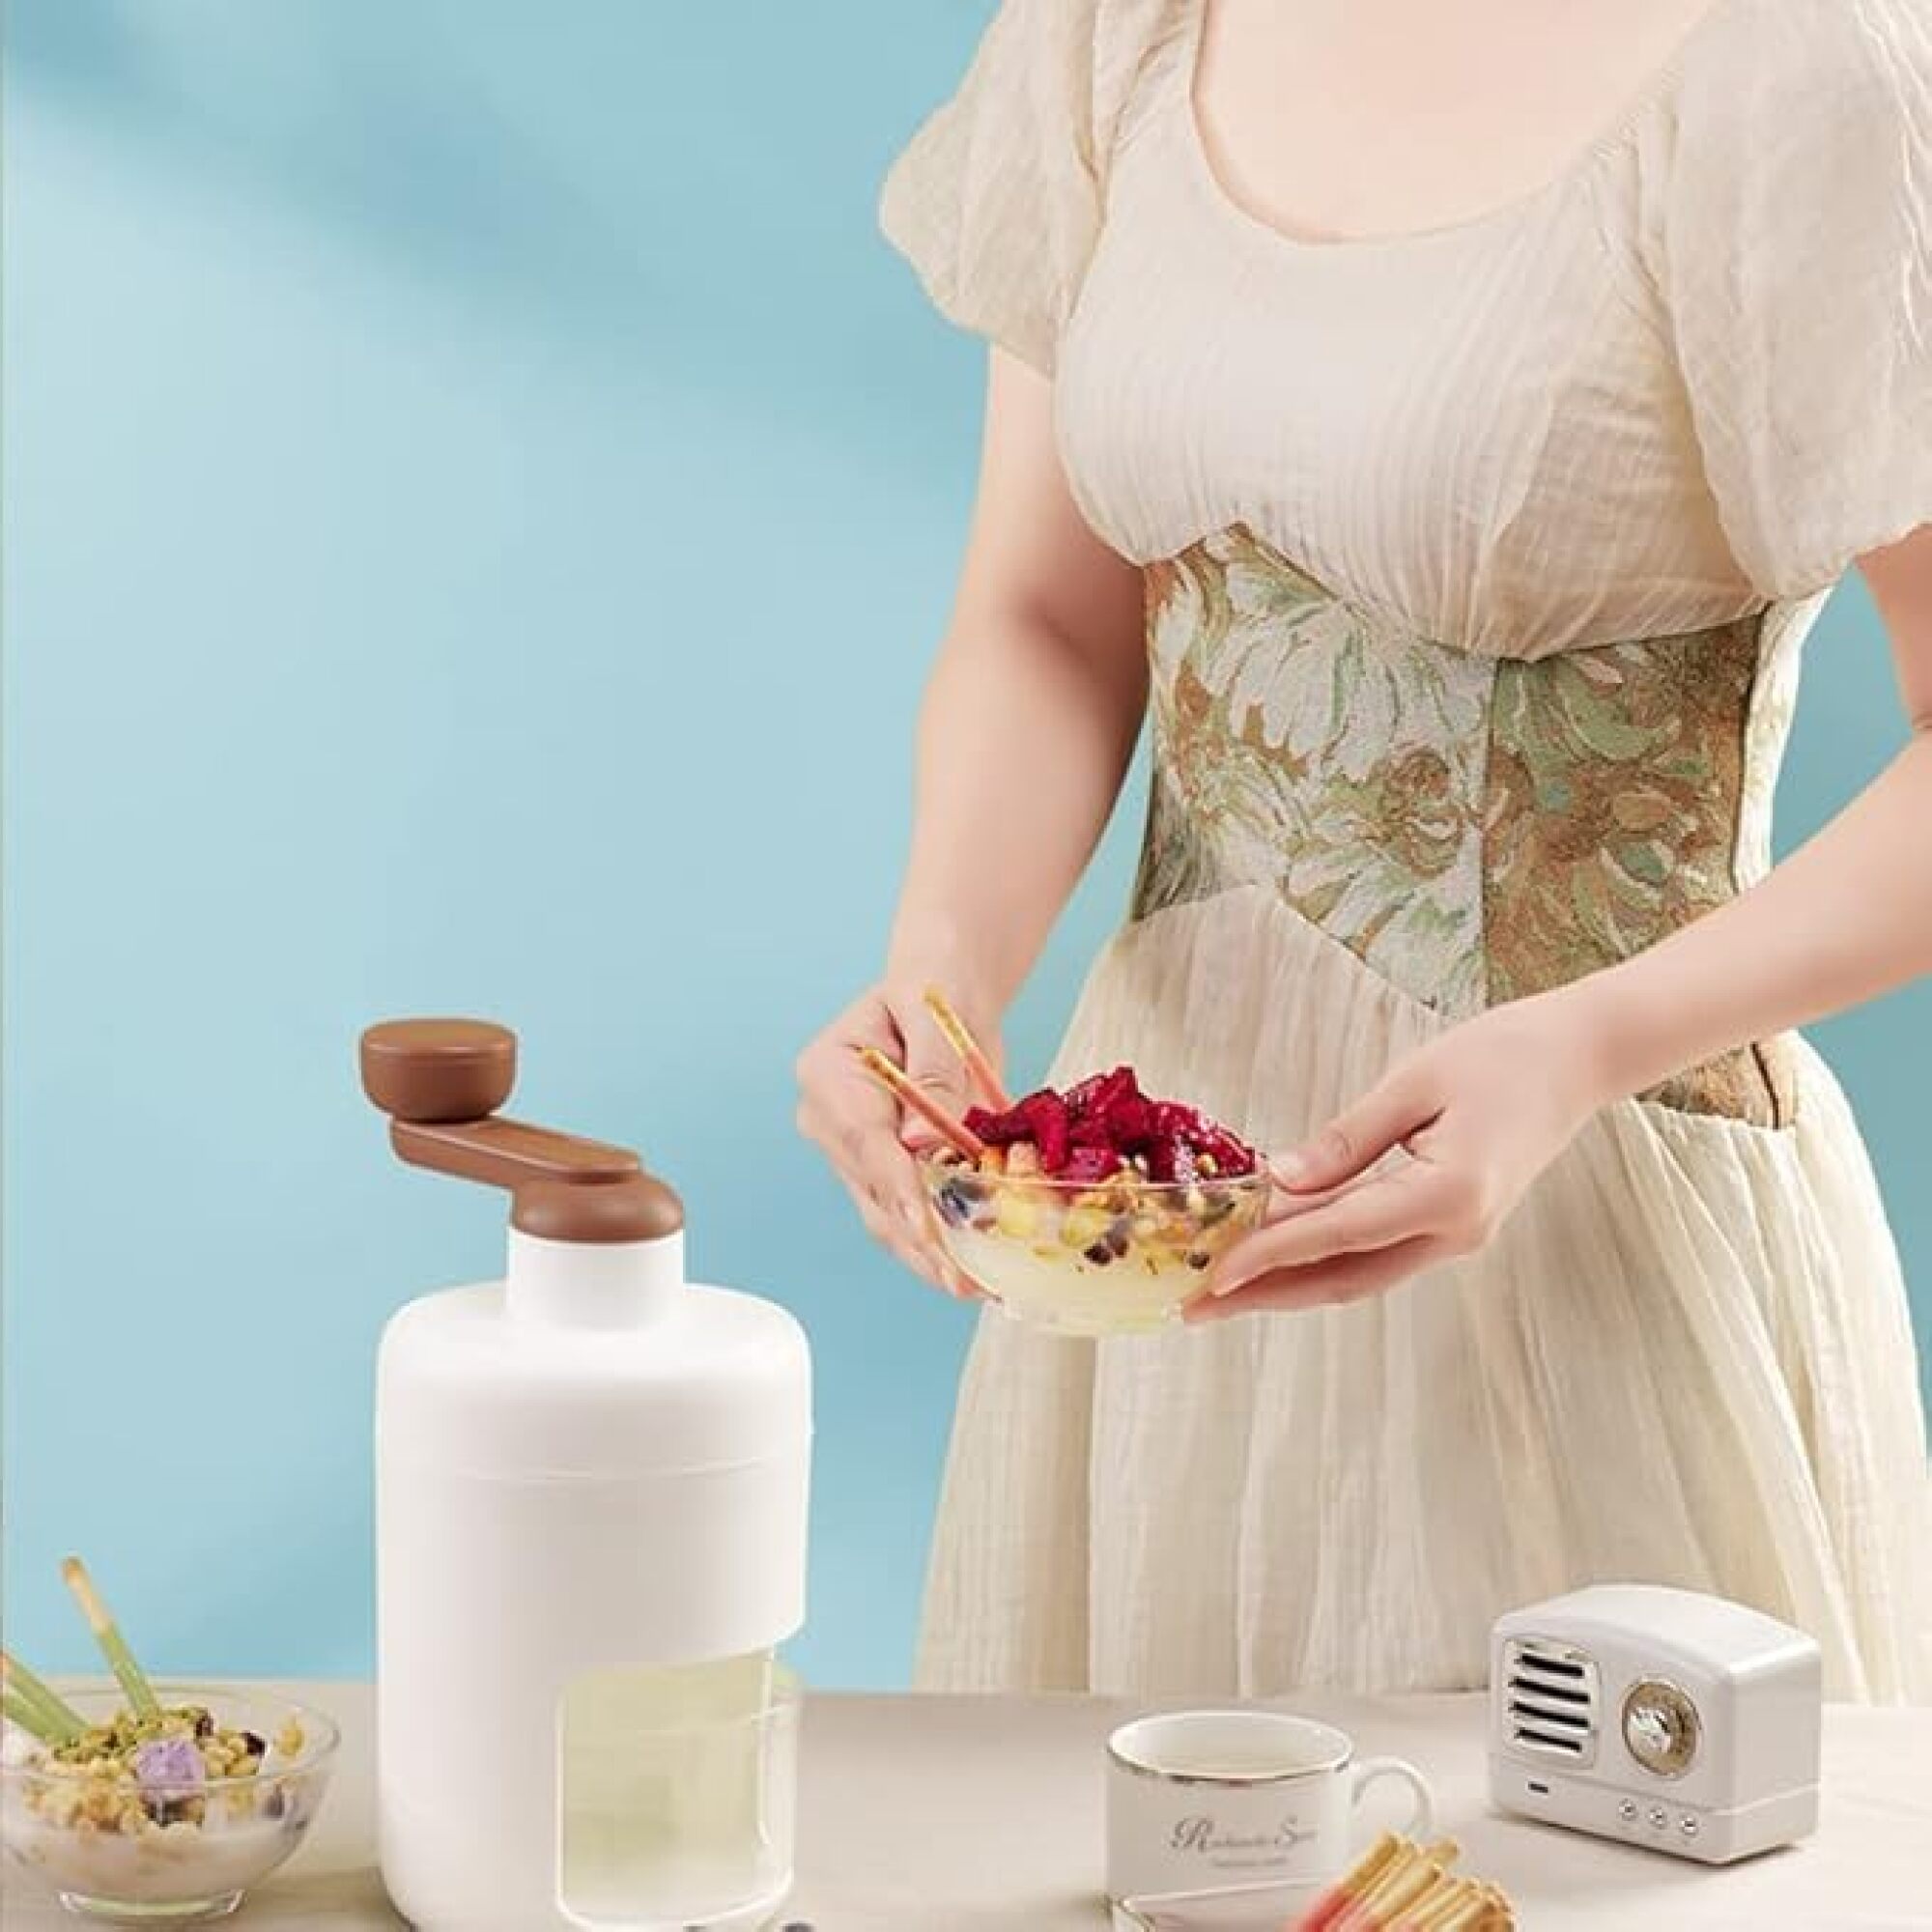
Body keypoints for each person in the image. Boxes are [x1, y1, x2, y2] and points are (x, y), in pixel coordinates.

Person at [795, 0, 1932, 1702]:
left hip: (1580, 1239)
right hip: (1150, 1265)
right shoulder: (1121, 27)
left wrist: (1583, 1044)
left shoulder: (1809, 64)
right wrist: (942, 977)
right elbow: (1047, 613)